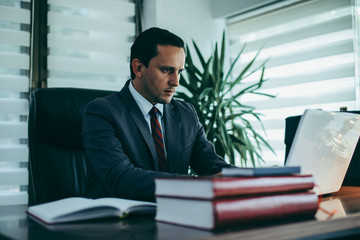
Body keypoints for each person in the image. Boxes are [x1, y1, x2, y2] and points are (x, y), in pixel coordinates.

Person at [82, 27, 232, 202]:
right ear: (138, 68)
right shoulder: (102, 112)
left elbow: (213, 166)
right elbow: (121, 178)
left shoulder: (186, 114)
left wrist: (259, 177)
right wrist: (199, 184)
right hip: (119, 222)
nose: (175, 82)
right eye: (167, 70)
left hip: (176, 218)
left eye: (179, 72)